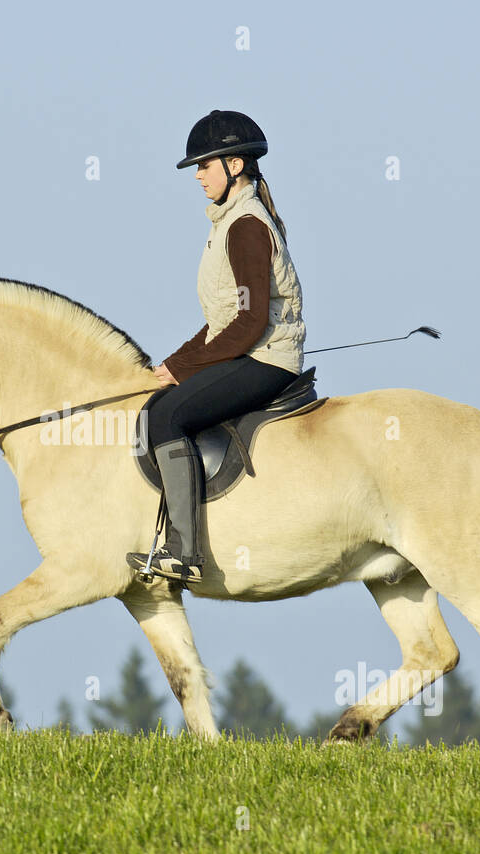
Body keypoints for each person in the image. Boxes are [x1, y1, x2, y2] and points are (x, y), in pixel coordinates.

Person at [126, 109, 306, 586]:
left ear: (235, 166)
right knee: (159, 401)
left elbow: (247, 326)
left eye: (205, 166)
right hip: (252, 352)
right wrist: (173, 364)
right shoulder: (229, 222)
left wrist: (182, 369)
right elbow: (222, 322)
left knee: (164, 418)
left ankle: (184, 550)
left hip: (265, 360)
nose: (199, 176)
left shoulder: (246, 225)